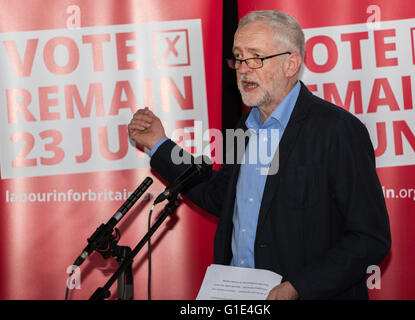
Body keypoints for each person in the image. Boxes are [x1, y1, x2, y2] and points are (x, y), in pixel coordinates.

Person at [128, 10, 391, 300]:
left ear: (291, 64)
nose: (243, 68)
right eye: (238, 57)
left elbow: (370, 238)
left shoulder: (337, 130)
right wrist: (159, 144)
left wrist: (298, 288)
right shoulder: (245, 127)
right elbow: (220, 196)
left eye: (255, 57)